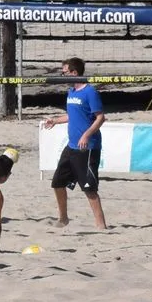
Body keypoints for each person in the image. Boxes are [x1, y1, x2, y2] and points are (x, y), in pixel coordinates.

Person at [44, 56, 108, 229]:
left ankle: (101, 226)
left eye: (65, 72)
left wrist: (86, 135)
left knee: (89, 189)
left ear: (74, 73)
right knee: (57, 183)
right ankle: (63, 218)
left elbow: (100, 118)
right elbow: (72, 115)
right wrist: (55, 121)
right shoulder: (71, 92)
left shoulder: (90, 92)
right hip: (71, 146)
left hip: (87, 147)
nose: (62, 75)